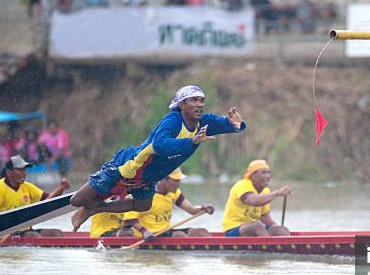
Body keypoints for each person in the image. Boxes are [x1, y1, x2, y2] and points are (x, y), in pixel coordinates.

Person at [70, 85, 246, 232]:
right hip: (129, 165)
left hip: (148, 177)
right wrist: (191, 140)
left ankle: (95, 209)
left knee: (143, 205)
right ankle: (87, 207)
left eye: (201, 100)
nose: (199, 104)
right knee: (76, 201)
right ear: (182, 104)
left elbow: (225, 123)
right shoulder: (172, 121)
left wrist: (236, 125)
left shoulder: (204, 122)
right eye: (194, 100)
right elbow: (159, 145)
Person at [117, 168, 214, 239]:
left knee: (202, 232)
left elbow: (191, 210)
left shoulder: (174, 193)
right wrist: (144, 231)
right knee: (179, 236)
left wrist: (204, 208)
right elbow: (129, 219)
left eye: (179, 180)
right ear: (164, 179)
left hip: (166, 231)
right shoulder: (145, 194)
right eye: (175, 180)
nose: (178, 183)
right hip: (150, 235)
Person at [0, 156, 70, 237]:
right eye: (20, 170)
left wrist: (61, 188)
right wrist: (5, 227)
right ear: (9, 172)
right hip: (6, 233)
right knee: (33, 236)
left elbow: (48, 201)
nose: (24, 173)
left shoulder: (27, 187)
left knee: (57, 233)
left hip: (26, 230)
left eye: (24, 170)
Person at [222, 160, 292, 237]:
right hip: (233, 230)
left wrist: (277, 228)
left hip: (254, 228)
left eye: (268, 172)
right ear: (253, 175)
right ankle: (268, 247)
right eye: (263, 173)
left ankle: (284, 247)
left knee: (282, 230)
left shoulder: (266, 191)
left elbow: (264, 216)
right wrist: (277, 193)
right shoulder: (242, 185)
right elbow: (253, 200)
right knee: (258, 226)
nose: (267, 176)